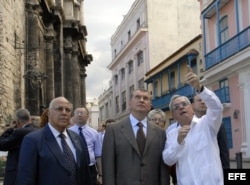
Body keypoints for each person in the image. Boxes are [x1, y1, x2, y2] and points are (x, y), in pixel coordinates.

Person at [162, 66, 224, 185]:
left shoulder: (207, 123)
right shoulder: (172, 134)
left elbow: (217, 108)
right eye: (176, 107)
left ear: (191, 108)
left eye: (184, 104)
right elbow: (167, 160)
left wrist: (199, 88)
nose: (180, 107)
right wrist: (178, 142)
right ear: (173, 115)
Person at [16, 97, 92, 185]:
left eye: (67, 110)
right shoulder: (32, 140)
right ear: (49, 113)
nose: (64, 113)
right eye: (59, 109)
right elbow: (26, 179)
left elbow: (86, 175)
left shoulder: (77, 138)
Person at [102, 88, 170, 185]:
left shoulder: (160, 133)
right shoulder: (113, 130)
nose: (141, 100)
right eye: (137, 97)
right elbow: (108, 166)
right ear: (130, 102)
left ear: (150, 105)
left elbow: (163, 168)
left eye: (145, 98)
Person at [0, 108, 37, 185]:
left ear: (17, 121)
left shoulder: (19, 132)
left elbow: (1, 145)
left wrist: (10, 129)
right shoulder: (37, 131)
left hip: (16, 175)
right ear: (30, 119)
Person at [191, 94, 230, 169]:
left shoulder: (218, 124)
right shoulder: (189, 124)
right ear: (193, 105)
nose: (203, 102)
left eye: (205, 100)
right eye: (199, 100)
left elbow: (223, 150)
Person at [69, 107, 102, 185]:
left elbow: (98, 155)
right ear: (74, 116)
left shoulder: (94, 133)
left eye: (82, 113)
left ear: (88, 116)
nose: (79, 115)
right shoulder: (68, 132)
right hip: (74, 169)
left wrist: (101, 175)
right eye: (77, 113)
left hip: (90, 169)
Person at [148, 109, 177, 185]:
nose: (157, 122)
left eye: (160, 120)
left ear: (164, 124)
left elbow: (173, 162)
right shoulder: (143, 139)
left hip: (163, 178)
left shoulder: (168, 139)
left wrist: (175, 180)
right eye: (154, 119)